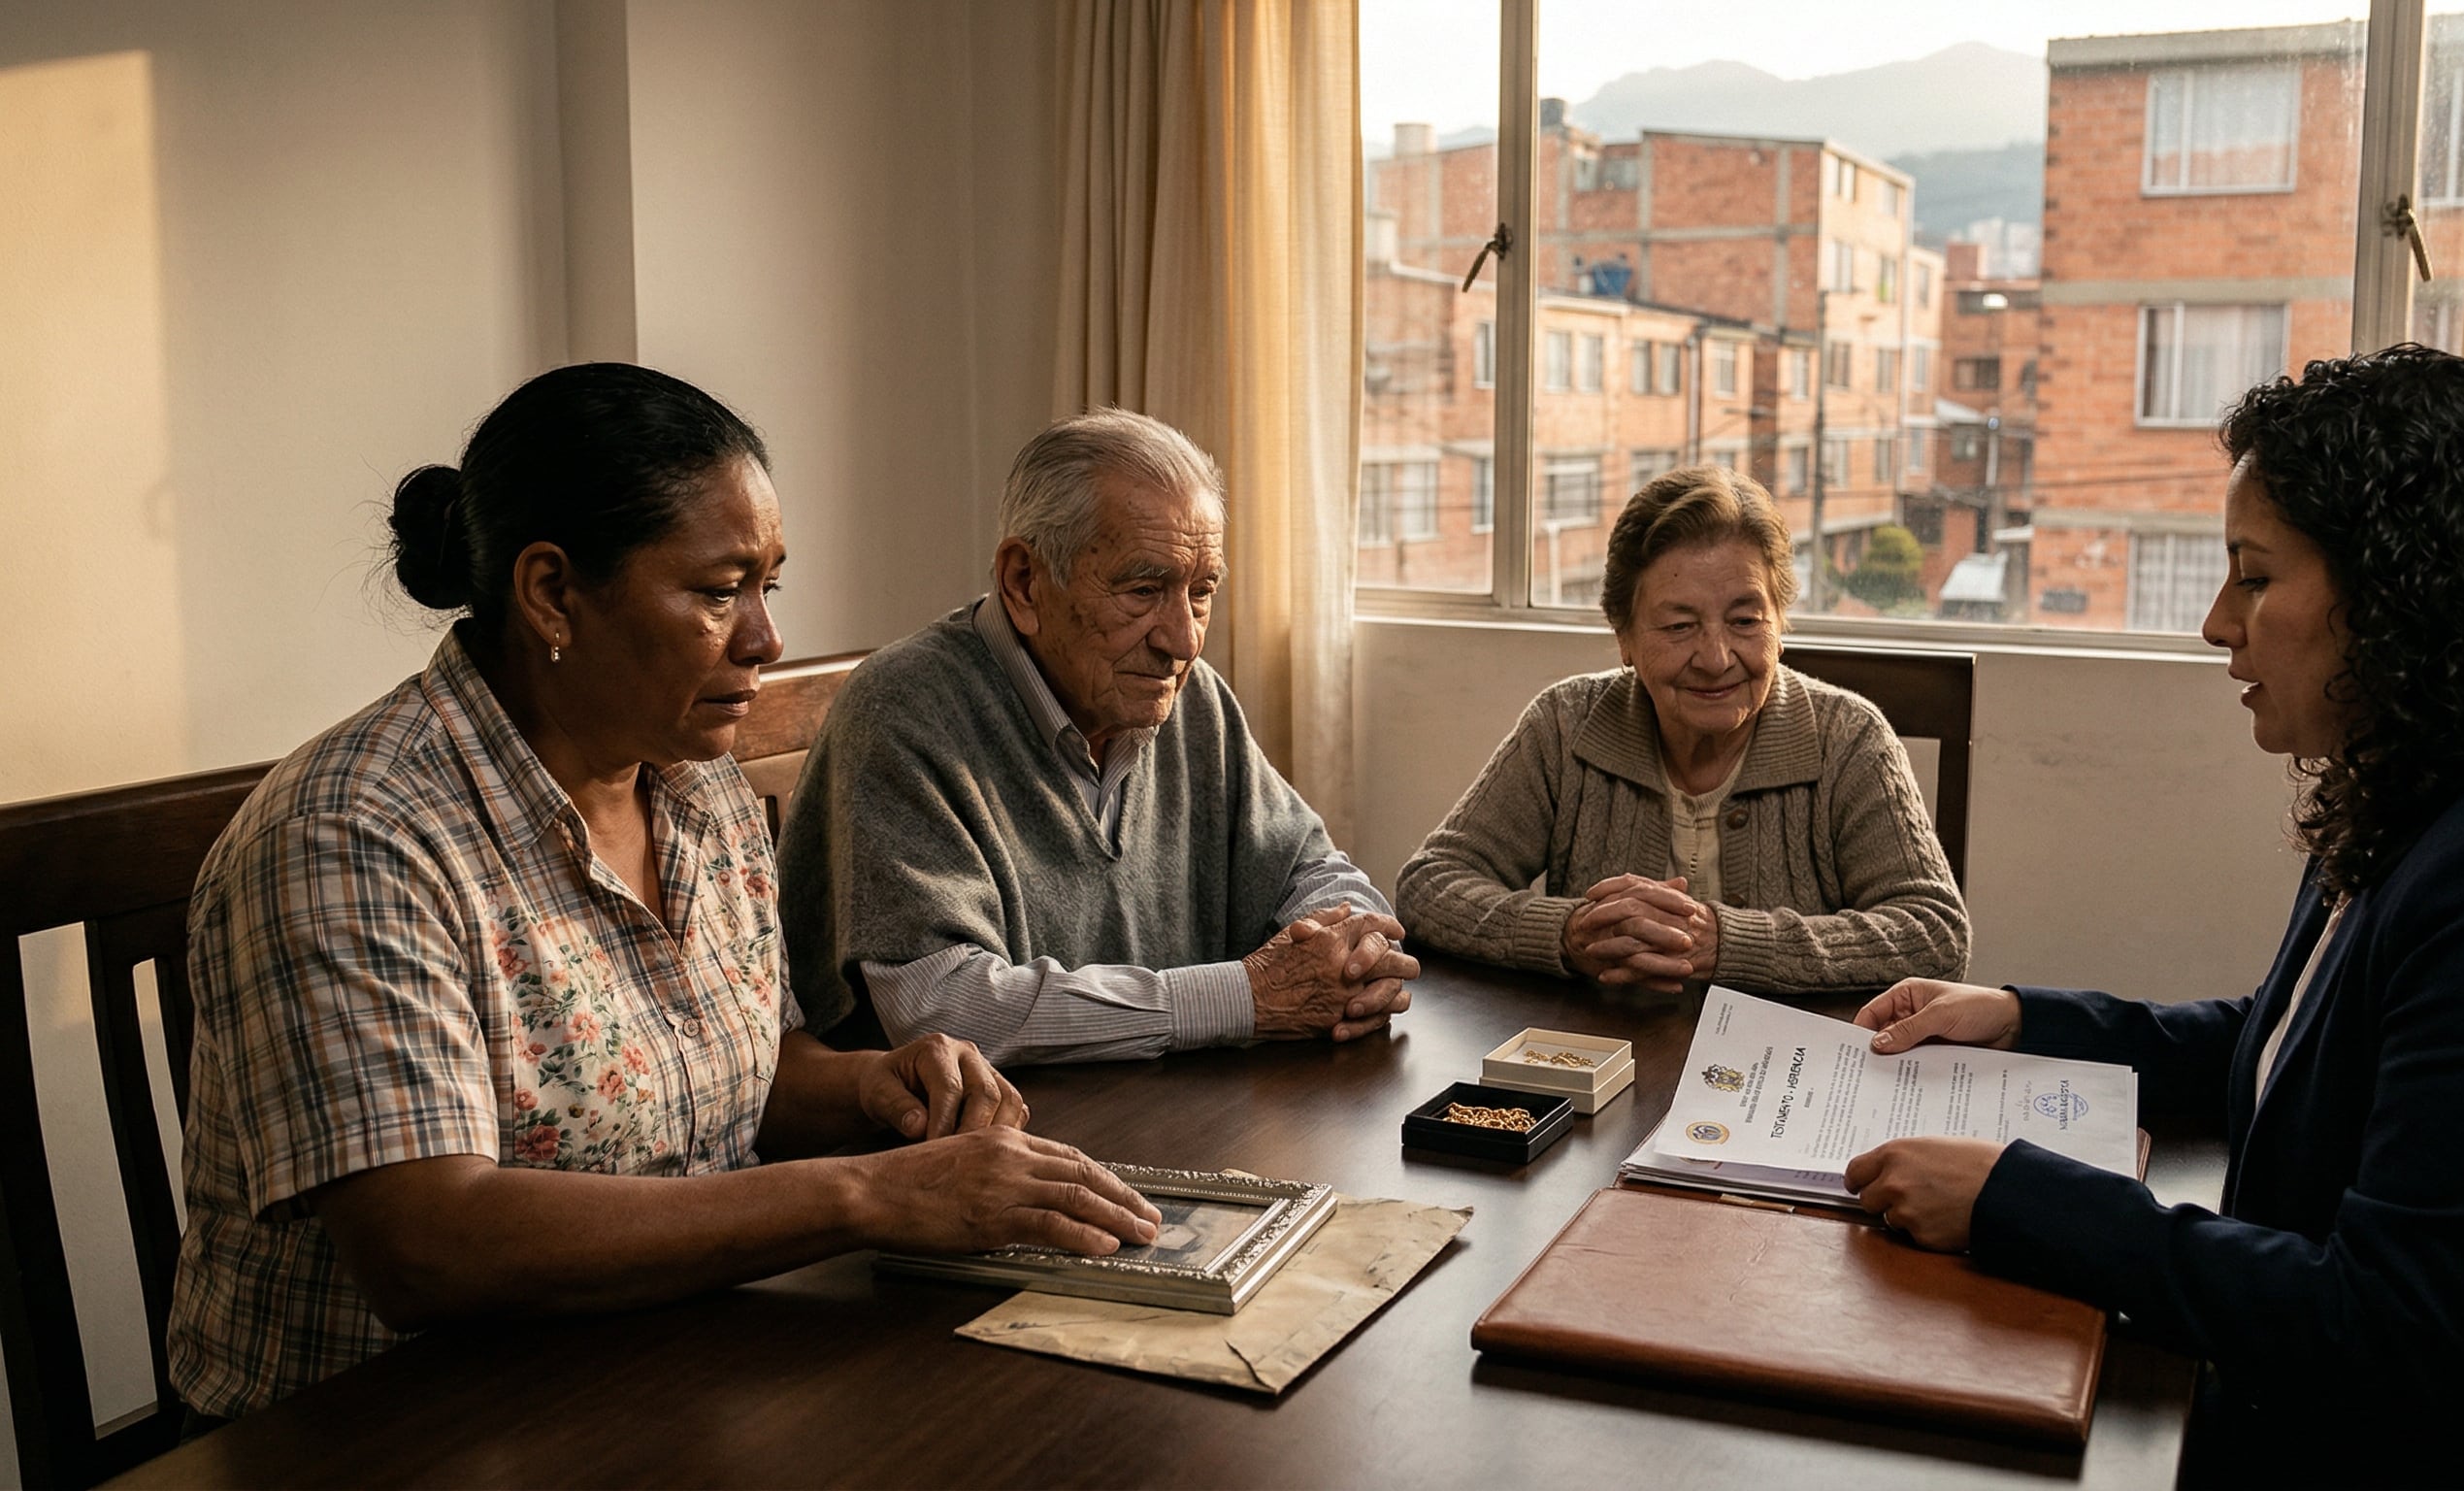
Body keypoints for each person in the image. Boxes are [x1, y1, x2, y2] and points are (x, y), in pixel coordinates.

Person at [170, 364, 1160, 1423]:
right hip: (377, 1437)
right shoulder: (356, 836)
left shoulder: (696, 788)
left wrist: (875, 1086)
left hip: (649, 1371)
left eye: (768, 586)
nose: (764, 640)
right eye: (717, 590)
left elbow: (729, 1076)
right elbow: (427, 1246)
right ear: (551, 593)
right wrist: (866, 1193)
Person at [1843, 346, 2464, 1485]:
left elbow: (2381, 1322)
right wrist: (2020, 1016)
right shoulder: (2425, 795)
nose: (2219, 624)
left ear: (2401, 594)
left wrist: (2016, 1198)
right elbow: (2289, 1049)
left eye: (2254, 579)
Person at [776, 409, 1415, 1065]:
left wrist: (1353, 953)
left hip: (1155, 1122)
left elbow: (1312, 869)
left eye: (1201, 591)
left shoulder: (1192, 703)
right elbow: (942, 1006)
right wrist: (1242, 999)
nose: (1184, 640)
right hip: (945, 1149)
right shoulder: (906, 710)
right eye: (1144, 590)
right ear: (1024, 582)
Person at [1394, 465, 1967, 996]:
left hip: (1790, 1079)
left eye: (1745, 621)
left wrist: (1731, 943)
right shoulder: (1566, 725)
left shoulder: (1850, 739)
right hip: (1606, 1063)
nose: (1716, 658)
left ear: (1780, 624)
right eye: (1679, 625)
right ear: (1624, 636)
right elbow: (1429, 888)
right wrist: (1570, 932)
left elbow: (1936, 935)